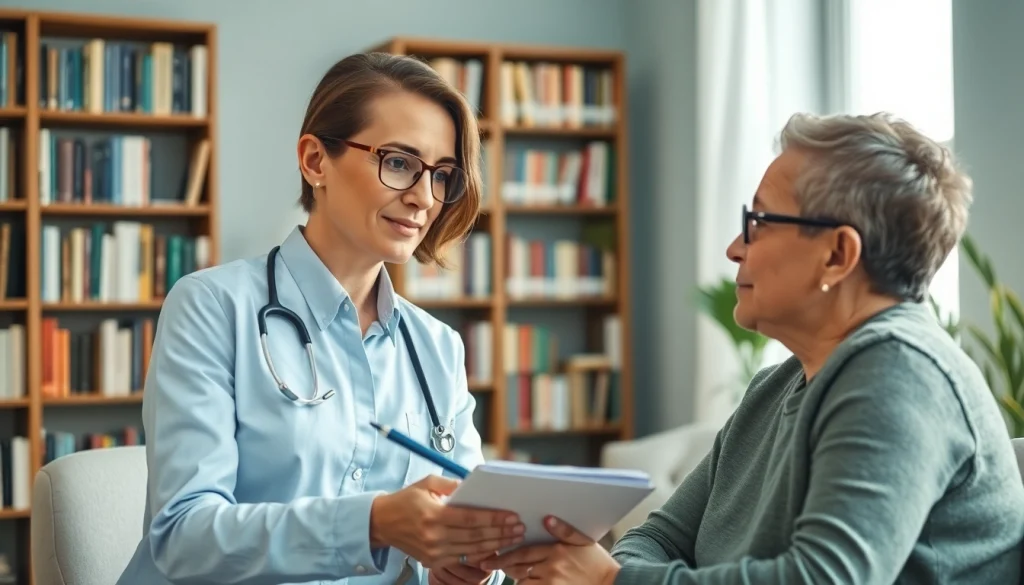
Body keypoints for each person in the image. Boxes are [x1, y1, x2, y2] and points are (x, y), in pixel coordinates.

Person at [478, 112, 1024, 584]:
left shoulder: (903, 374)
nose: (735, 248)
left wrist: (613, 580)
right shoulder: (775, 387)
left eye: (758, 222)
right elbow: (657, 536)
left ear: (837, 255)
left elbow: (821, 579)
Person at [116, 52, 523, 585]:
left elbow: (462, 528)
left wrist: (463, 567)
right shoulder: (211, 307)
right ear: (315, 161)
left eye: (442, 175)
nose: (424, 198)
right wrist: (373, 524)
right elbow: (183, 537)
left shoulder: (437, 348)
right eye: (399, 162)